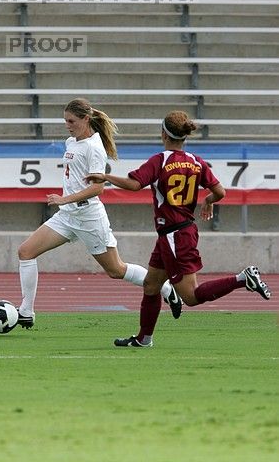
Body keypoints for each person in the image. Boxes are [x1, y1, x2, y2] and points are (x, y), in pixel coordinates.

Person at [86, 110, 271, 347]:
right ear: (183, 136)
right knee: (151, 285)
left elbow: (134, 184)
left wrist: (106, 177)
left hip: (175, 234)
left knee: (191, 296)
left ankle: (243, 279)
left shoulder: (160, 160)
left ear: (163, 133)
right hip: (175, 233)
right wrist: (207, 201)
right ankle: (144, 339)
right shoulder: (195, 161)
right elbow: (220, 192)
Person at [16, 98, 182, 328]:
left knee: (116, 270)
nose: (67, 125)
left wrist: (64, 198)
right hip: (67, 216)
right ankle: (26, 311)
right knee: (25, 251)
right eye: (65, 120)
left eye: (71, 120)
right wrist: (66, 202)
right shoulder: (71, 142)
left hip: (88, 217)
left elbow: (97, 188)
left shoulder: (94, 148)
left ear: (86, 119)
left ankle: (166, 288)